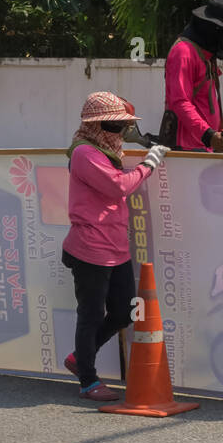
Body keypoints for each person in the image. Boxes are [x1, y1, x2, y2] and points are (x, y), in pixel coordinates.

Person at [62, 91, 169, 401]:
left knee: (124, 313)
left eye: (123, 127)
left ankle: (79, 358)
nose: (121, 132)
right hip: (90, 249)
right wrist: (148, 164)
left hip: (115, 247)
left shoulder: (106, 151)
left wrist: (142, 143)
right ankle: (88, 380)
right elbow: (117, 186)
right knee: (91, 315)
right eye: (116, 126)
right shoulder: (84, 153)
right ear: (99, 127)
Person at [161, 0, 223, 154]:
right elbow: (180, 101)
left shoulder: (206, 55)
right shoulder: (184, 52)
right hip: (186, 149)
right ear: (214, 29)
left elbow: (208, 104)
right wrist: (209, 136)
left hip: (204, 146)